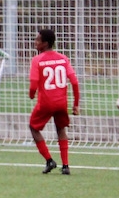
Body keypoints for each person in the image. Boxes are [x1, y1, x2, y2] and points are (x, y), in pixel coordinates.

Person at [28, 28, 80, 175]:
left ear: (45, 43)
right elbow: (74, 82)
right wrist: (76, 104)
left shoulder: (37, 60)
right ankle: (66, 166)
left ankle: (49, 160)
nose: (35, 42)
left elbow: (33, 83)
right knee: (61, 129)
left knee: (33, 127)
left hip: (46, 102)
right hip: (61, 102)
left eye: (37, 40)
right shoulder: (63, 58)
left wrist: (31, 95)